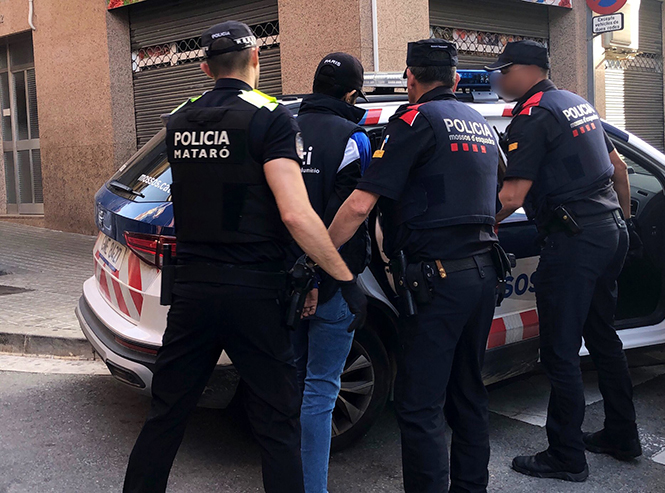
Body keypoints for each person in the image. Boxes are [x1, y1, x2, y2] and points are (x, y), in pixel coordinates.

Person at [122, 21, 366, 493]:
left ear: (204, 67)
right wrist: (345, 278)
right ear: (257, 60)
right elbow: (296, 215)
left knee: (167, 417)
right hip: (254, 292)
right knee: (277, 422)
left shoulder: (179, 118)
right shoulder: (272, 118)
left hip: (192, 290)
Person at [328, 39, 502, 493]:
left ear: (410, 76)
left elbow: (360, 204)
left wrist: (318, 255)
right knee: (468, 394)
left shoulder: (413, 121)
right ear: (457, 79)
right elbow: (499, 192)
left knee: (420, 404)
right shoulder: (479, 121)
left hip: (438, 281)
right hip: (483, 273)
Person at [489, 40, 640, 483]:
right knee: (602, 336)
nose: (499, 79)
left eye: (504, 70)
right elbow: (619, 170)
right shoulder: (577, 103)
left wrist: (469, 225)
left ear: (528, 70)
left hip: (572, 242)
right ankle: (622, 434)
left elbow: (512, 197)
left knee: (558, 351)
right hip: (608, 230)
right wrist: (624, 224)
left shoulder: (532, 116)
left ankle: (566, 456)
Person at [291, 52, 372, 493]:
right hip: (331, 285)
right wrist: (320, 279)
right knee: (321, 390)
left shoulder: (281, 130)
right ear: (350, 93)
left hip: (282, 285)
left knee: (289, 385)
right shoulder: (353, 138)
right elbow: (351, 213)